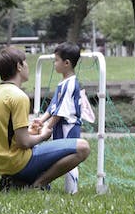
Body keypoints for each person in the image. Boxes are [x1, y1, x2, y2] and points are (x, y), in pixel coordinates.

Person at [0, 46, 90, 192]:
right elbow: (24, 142)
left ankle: (17, 181)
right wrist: (43, 136)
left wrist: (30, 132)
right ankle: (38, 184)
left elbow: (7, 134)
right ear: (19, 67)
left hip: (2, 165)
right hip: (18, 162)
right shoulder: (18, 96)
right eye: (25, 63)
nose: (28, 66)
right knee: (83, 147)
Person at [33, 42, 95, 194]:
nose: (54, 64)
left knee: (70, 159)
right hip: (60, 126)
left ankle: (72, 191)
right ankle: (46, 183)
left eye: (56, 60)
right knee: (57, 157)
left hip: (69, 126)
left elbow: (62, 111)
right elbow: (54, 106)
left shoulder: (71, 84)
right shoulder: (63, 83)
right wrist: (41, 120)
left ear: (66, 63)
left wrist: (47, 127)